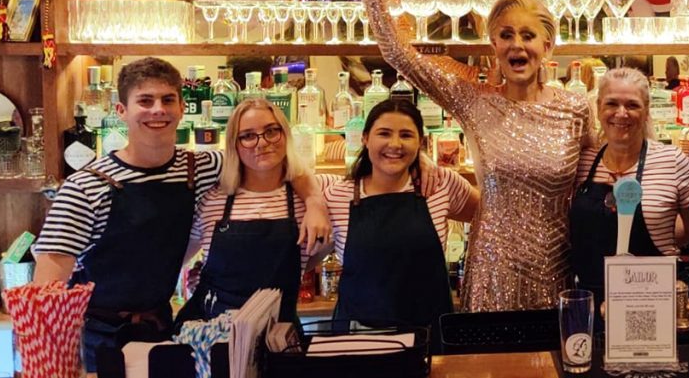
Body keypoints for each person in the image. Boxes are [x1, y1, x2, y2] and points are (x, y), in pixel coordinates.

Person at [316, 0, 591, 312]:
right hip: (493, 266)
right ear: (493, 45)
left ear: (547, 46)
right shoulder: (474, 100)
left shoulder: (575, 109)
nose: (518, 45)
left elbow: (594, 184)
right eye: (506, 35)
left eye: (528, 36)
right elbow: (398, 53)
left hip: (558, 264)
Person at [32, 58, 330, 371]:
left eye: (167, 100)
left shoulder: (201, 168)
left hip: (161, 326)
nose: (157, 110)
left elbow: (278, 162)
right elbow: (47, 292)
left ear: (182, 108)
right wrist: (52, 364)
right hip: (96, 335)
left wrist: (314, 201)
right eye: (145, 101)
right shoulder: (86, 187)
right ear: (121, 112)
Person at [320, 99, 478, 334]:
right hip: (359, 337)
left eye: (406, 135)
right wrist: (313, 203)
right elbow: (291, 178)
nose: (395, 144)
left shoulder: (441, 184)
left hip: (429, 334)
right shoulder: (336, 195)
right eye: (384, 133)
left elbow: (488, 216)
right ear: (365, 138)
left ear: (420, 143)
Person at [175, 98, 321, 327]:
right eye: (248, 136)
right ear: (234, 144)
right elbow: (177, 259)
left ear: (285, 135)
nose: (262, 143)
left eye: (272, 131)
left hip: (278, 336)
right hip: (213, 335)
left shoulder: (311, 196)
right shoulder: (212, 199)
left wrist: (315, 202)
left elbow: (311, 256)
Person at [570, 68, 689, 314]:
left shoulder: (672, 160)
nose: (621, 113)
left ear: (646, 110)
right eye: (611, 103)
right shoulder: (583, 161)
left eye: (632, 105)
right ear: (598, 108)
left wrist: (662, 232)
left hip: (651, 300)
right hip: (589, 302)